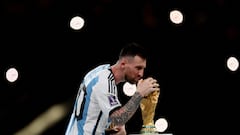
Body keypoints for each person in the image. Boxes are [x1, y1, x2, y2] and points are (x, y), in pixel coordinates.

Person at [65, 42, 160, 135]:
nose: (141, 74)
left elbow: (91, 115)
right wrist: (139, 94)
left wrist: (111, 128)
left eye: (143, 68)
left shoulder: (100, 72)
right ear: (123, 64)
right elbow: (118, 119)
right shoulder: (104, 82)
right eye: (138, 68)